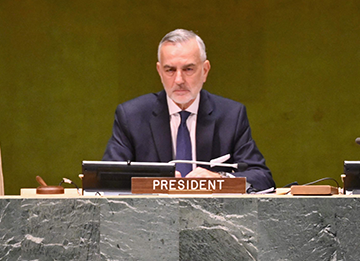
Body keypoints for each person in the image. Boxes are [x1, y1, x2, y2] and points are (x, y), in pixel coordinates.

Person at [102, 29, 275, 193]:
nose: (179, 80)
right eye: (170, 70)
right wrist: (157, 182)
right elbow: (107, 178)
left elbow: (261, 177)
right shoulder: (131, 116)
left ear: (205, 70)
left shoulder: (231, 115)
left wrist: (219, 179)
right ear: (159, 72)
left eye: (188, 69)